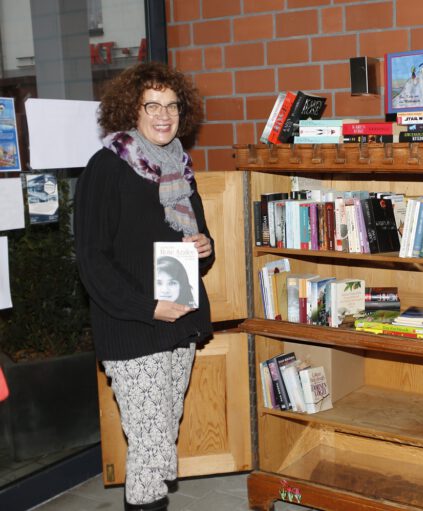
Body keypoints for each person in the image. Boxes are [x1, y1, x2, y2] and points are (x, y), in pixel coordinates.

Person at [75, 61, 213, 511]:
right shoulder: (107, 168)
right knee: (150, 452)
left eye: (172, 105)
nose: (163, 115)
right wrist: (148, 307)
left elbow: (193, 243)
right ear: (129, 110)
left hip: (178, 321)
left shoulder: (179, 167)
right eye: (151, 105)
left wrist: (202, 245)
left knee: (161, 435)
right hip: (133, 326)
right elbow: (92, 261)